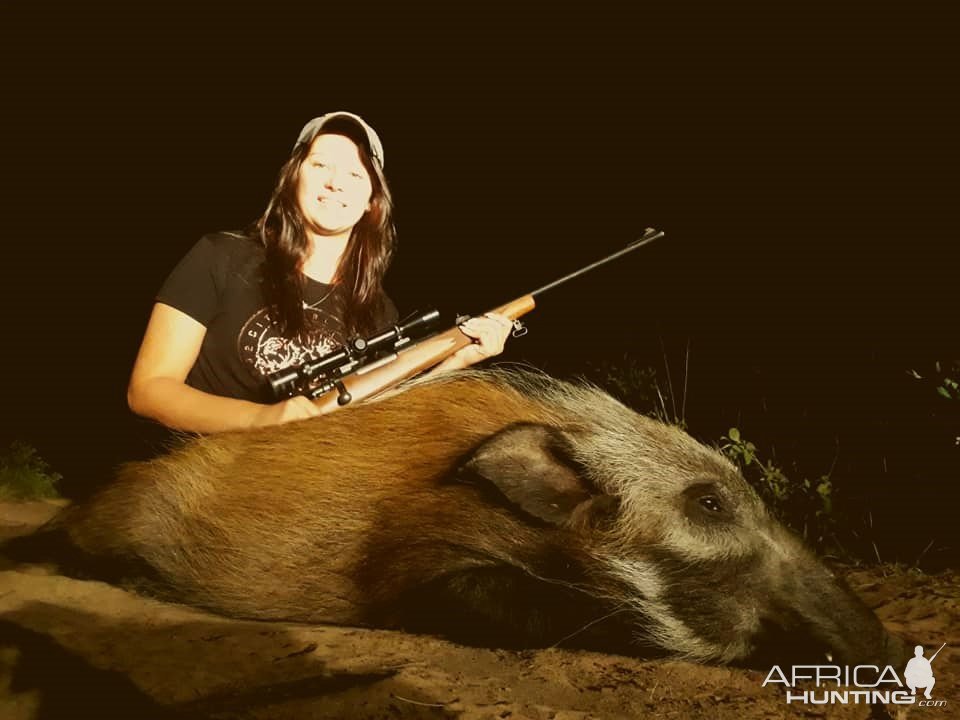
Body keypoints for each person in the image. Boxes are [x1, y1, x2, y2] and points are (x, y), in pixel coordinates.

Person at [128, 111, 513, 434]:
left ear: (371, 202)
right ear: (293, 176)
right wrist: (263, 417)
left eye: (355, 175)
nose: (334, 182)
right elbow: (148, 390)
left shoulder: (379, 312)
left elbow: (365, 415)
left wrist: (455, 361)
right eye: (320, 164)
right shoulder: (220, 256)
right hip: (193, 484)